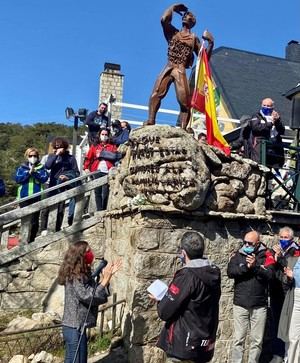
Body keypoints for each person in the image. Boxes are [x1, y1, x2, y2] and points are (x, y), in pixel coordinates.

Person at [151, 231, 221, 363]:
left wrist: (161, 300)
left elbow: (165, 312)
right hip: (205, 342)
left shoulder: (187, 275)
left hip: (184, 344)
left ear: (183, 252)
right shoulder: (214, 271)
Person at [144, 4, 214, 129]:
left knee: (185, 103)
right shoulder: (173, 33)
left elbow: (203, 59)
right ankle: (151, 120)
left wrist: (210, 43)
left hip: (180, 69)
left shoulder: (193, 39)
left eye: (189, 16)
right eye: (186, 15)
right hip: (169, 66)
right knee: (156, 94)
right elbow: (164, 19)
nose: (186, 16)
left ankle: (183, 128)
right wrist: (174, 7)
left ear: (193, 22)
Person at [57, 240, 122, 363]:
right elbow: (88, 296)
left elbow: (95, 293)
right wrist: (105, 280)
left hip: (78, 326)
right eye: (88, 252)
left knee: (79, 360)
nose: (91, 254)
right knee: (76, 360)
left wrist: (106, 278)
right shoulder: (75, 277)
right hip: (73, 327)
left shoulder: (82, 274)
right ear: (80, 256)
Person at [227, 230, 275, 363]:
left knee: (256, 341)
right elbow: (230, 271)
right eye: (245, 242)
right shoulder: (239, 253)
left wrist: (255, 267)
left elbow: (270, 275)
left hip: (259, 305)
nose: (246, 245)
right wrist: (246, 268)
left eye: (250, 243)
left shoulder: (267, 254)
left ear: (258, 243)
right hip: (240, 304)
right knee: (238, 340)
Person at [45, 137, 80, 229]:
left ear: (65, 147)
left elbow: (76, 172)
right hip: (53, 184)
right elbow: (47, 166)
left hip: (64, 185)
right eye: (56, 146)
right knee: (49, 207)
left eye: (61, 146)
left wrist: (67, 177)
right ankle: (45, 228)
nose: (59, 148)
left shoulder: (71, 158)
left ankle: (57, 227)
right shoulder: (52, 156)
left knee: (60, 208)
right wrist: (56, 155)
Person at [15, 148, 49, 242]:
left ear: (38, 157)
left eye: (35, 156)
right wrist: (28, 173)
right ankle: (23, 241)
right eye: (30, 156)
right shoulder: (22, 168)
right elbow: (18, 179)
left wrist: (34, 173)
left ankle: (31, 240)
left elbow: (44, 178)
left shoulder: (41, 167)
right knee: (25, 220)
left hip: (36, 196)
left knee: (34, 221)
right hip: (24, 197)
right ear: (27, 156)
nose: (33, 157)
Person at [83, 129, 118, 211]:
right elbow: (88, 158)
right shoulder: (95, 146)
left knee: (105, 192)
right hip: (97, 170)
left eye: (106, 134)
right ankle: (99, 210)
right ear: (99, 135)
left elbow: (116, 157)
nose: (104, 136)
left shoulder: (112, 146)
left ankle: (104, 209)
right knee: (97, 191)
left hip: (108, 171)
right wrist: (86, 167)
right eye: (102, 134)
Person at [278, 242, 300, 363]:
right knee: (293, 336)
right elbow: (285, 285)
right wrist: (289, 278)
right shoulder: (293, 260)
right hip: (295, 298)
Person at [251, 98, 285, 167]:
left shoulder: (276, 116)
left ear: (273, 107)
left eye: (268, 106)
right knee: (261, 168)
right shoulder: (256, 116)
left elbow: (282, 131)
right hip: (261, 146)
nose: (266, 107)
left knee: (275, 169)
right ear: (261, 105)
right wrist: (270, 123)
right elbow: (256, 128)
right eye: (264, 105)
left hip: (275, 147)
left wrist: (277, 121)